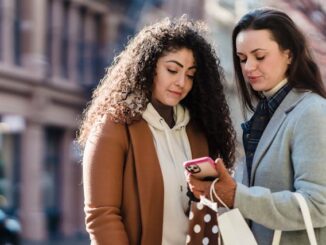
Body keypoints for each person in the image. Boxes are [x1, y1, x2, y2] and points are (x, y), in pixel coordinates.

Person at [77, 16, 236, 245]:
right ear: (149, 66)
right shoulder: (114, 127)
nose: (181, 82)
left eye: (190, 75)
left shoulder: (199, 131)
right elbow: (102, 216)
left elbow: (207, 209)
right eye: (172, 70)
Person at [187, 7, 326, 245]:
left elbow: (318, 204)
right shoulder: (262, 114)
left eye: (259, 56)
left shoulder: (311, 111)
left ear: (289, 54)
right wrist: (217, 189)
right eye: (242, 58)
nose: (248, 67)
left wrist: (237, 196)